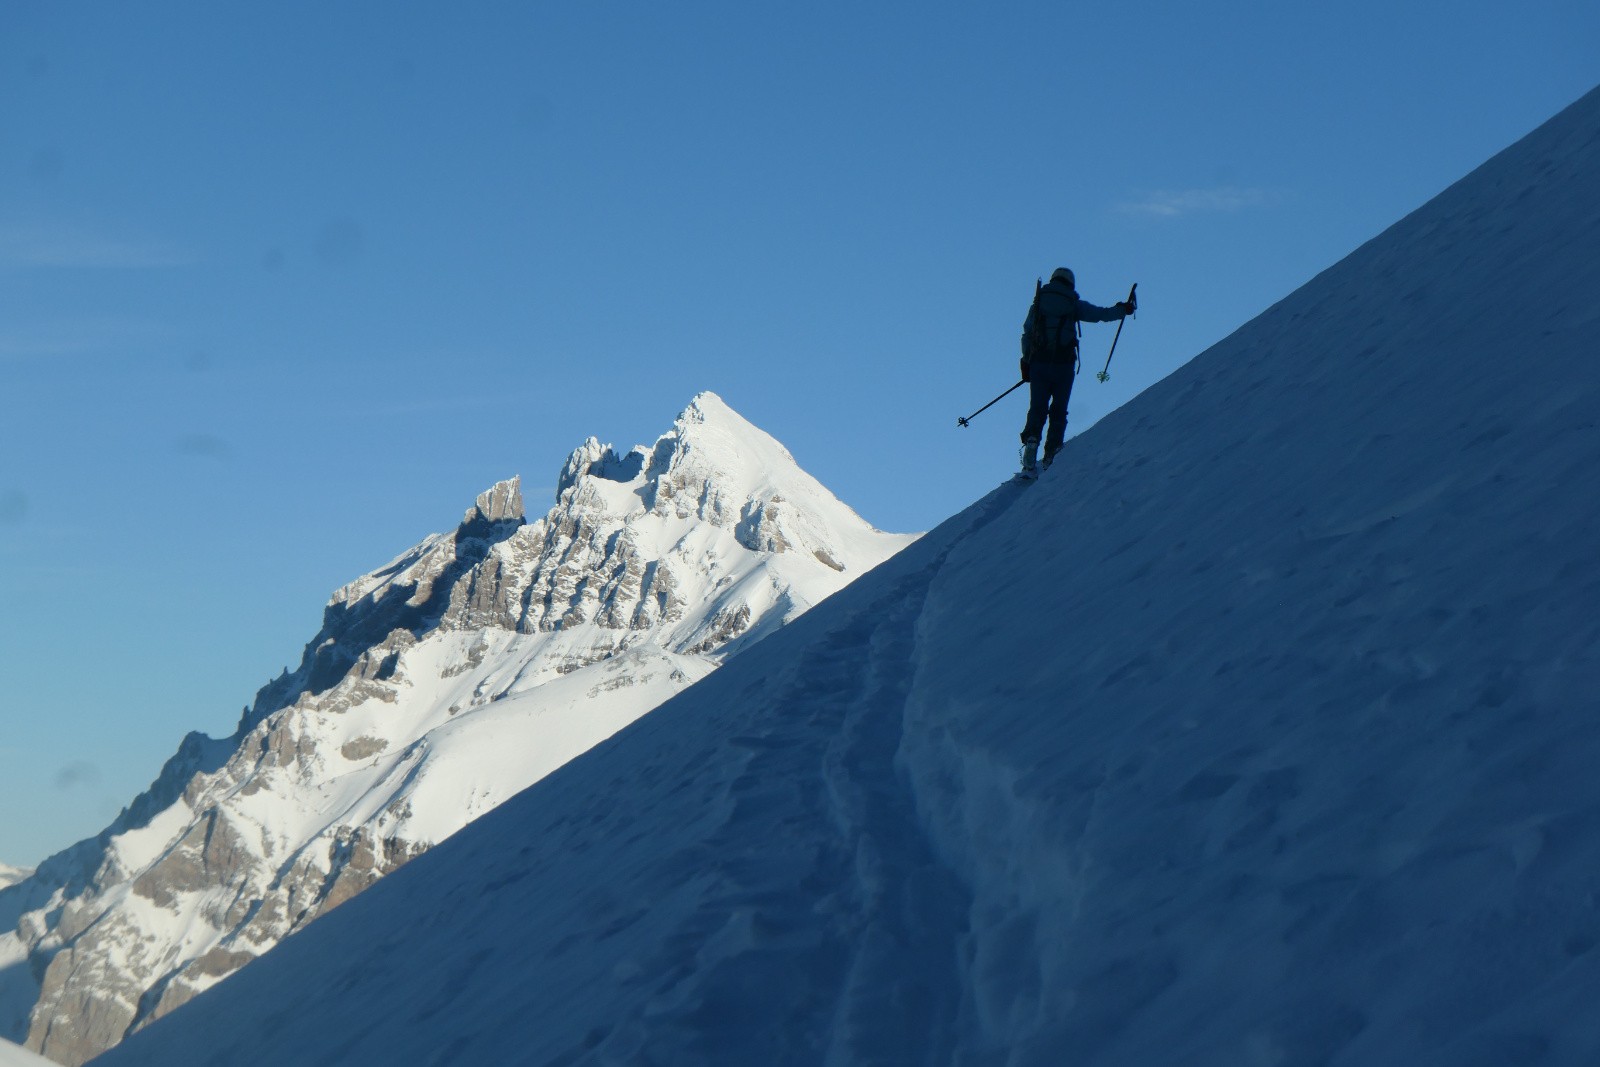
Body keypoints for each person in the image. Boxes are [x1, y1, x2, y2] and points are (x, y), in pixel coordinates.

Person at [1018, 267, 1135, 475]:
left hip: (1039, 364)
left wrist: (1027, 361)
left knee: (1037, 406)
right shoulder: (1072, 303)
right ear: (1070, 283)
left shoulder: (1037, 304)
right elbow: (1100, 314)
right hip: (1064, 365)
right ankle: (1051, 454)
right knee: (1059, 410)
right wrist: (1121, 310)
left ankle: (1032, 441)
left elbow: (1027, 334)